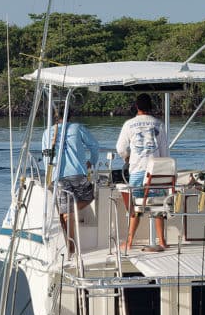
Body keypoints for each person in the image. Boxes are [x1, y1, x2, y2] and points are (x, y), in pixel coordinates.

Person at [42, 108, 101, 255]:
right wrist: (91, 162)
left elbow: (45, 155)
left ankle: (70, 241)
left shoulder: (47, 132)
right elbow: (95, 146)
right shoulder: (77, 128)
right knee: (89, 197)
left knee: (65, 210)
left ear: (55, 117)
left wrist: (49, 175)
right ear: (70, 116)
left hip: (58, 177)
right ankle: (70, 214)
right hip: (77, 174)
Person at [115, 93, 169, 252]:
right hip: (156, 173)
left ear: (137, 107)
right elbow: (165, 152)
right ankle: (162, 241)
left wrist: (127, 158)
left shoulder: (128, 124)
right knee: (158, 206)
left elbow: (120, 148)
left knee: (134, 208)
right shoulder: (159, 124)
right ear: (150, 107)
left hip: (137, 172)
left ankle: (130, 242)